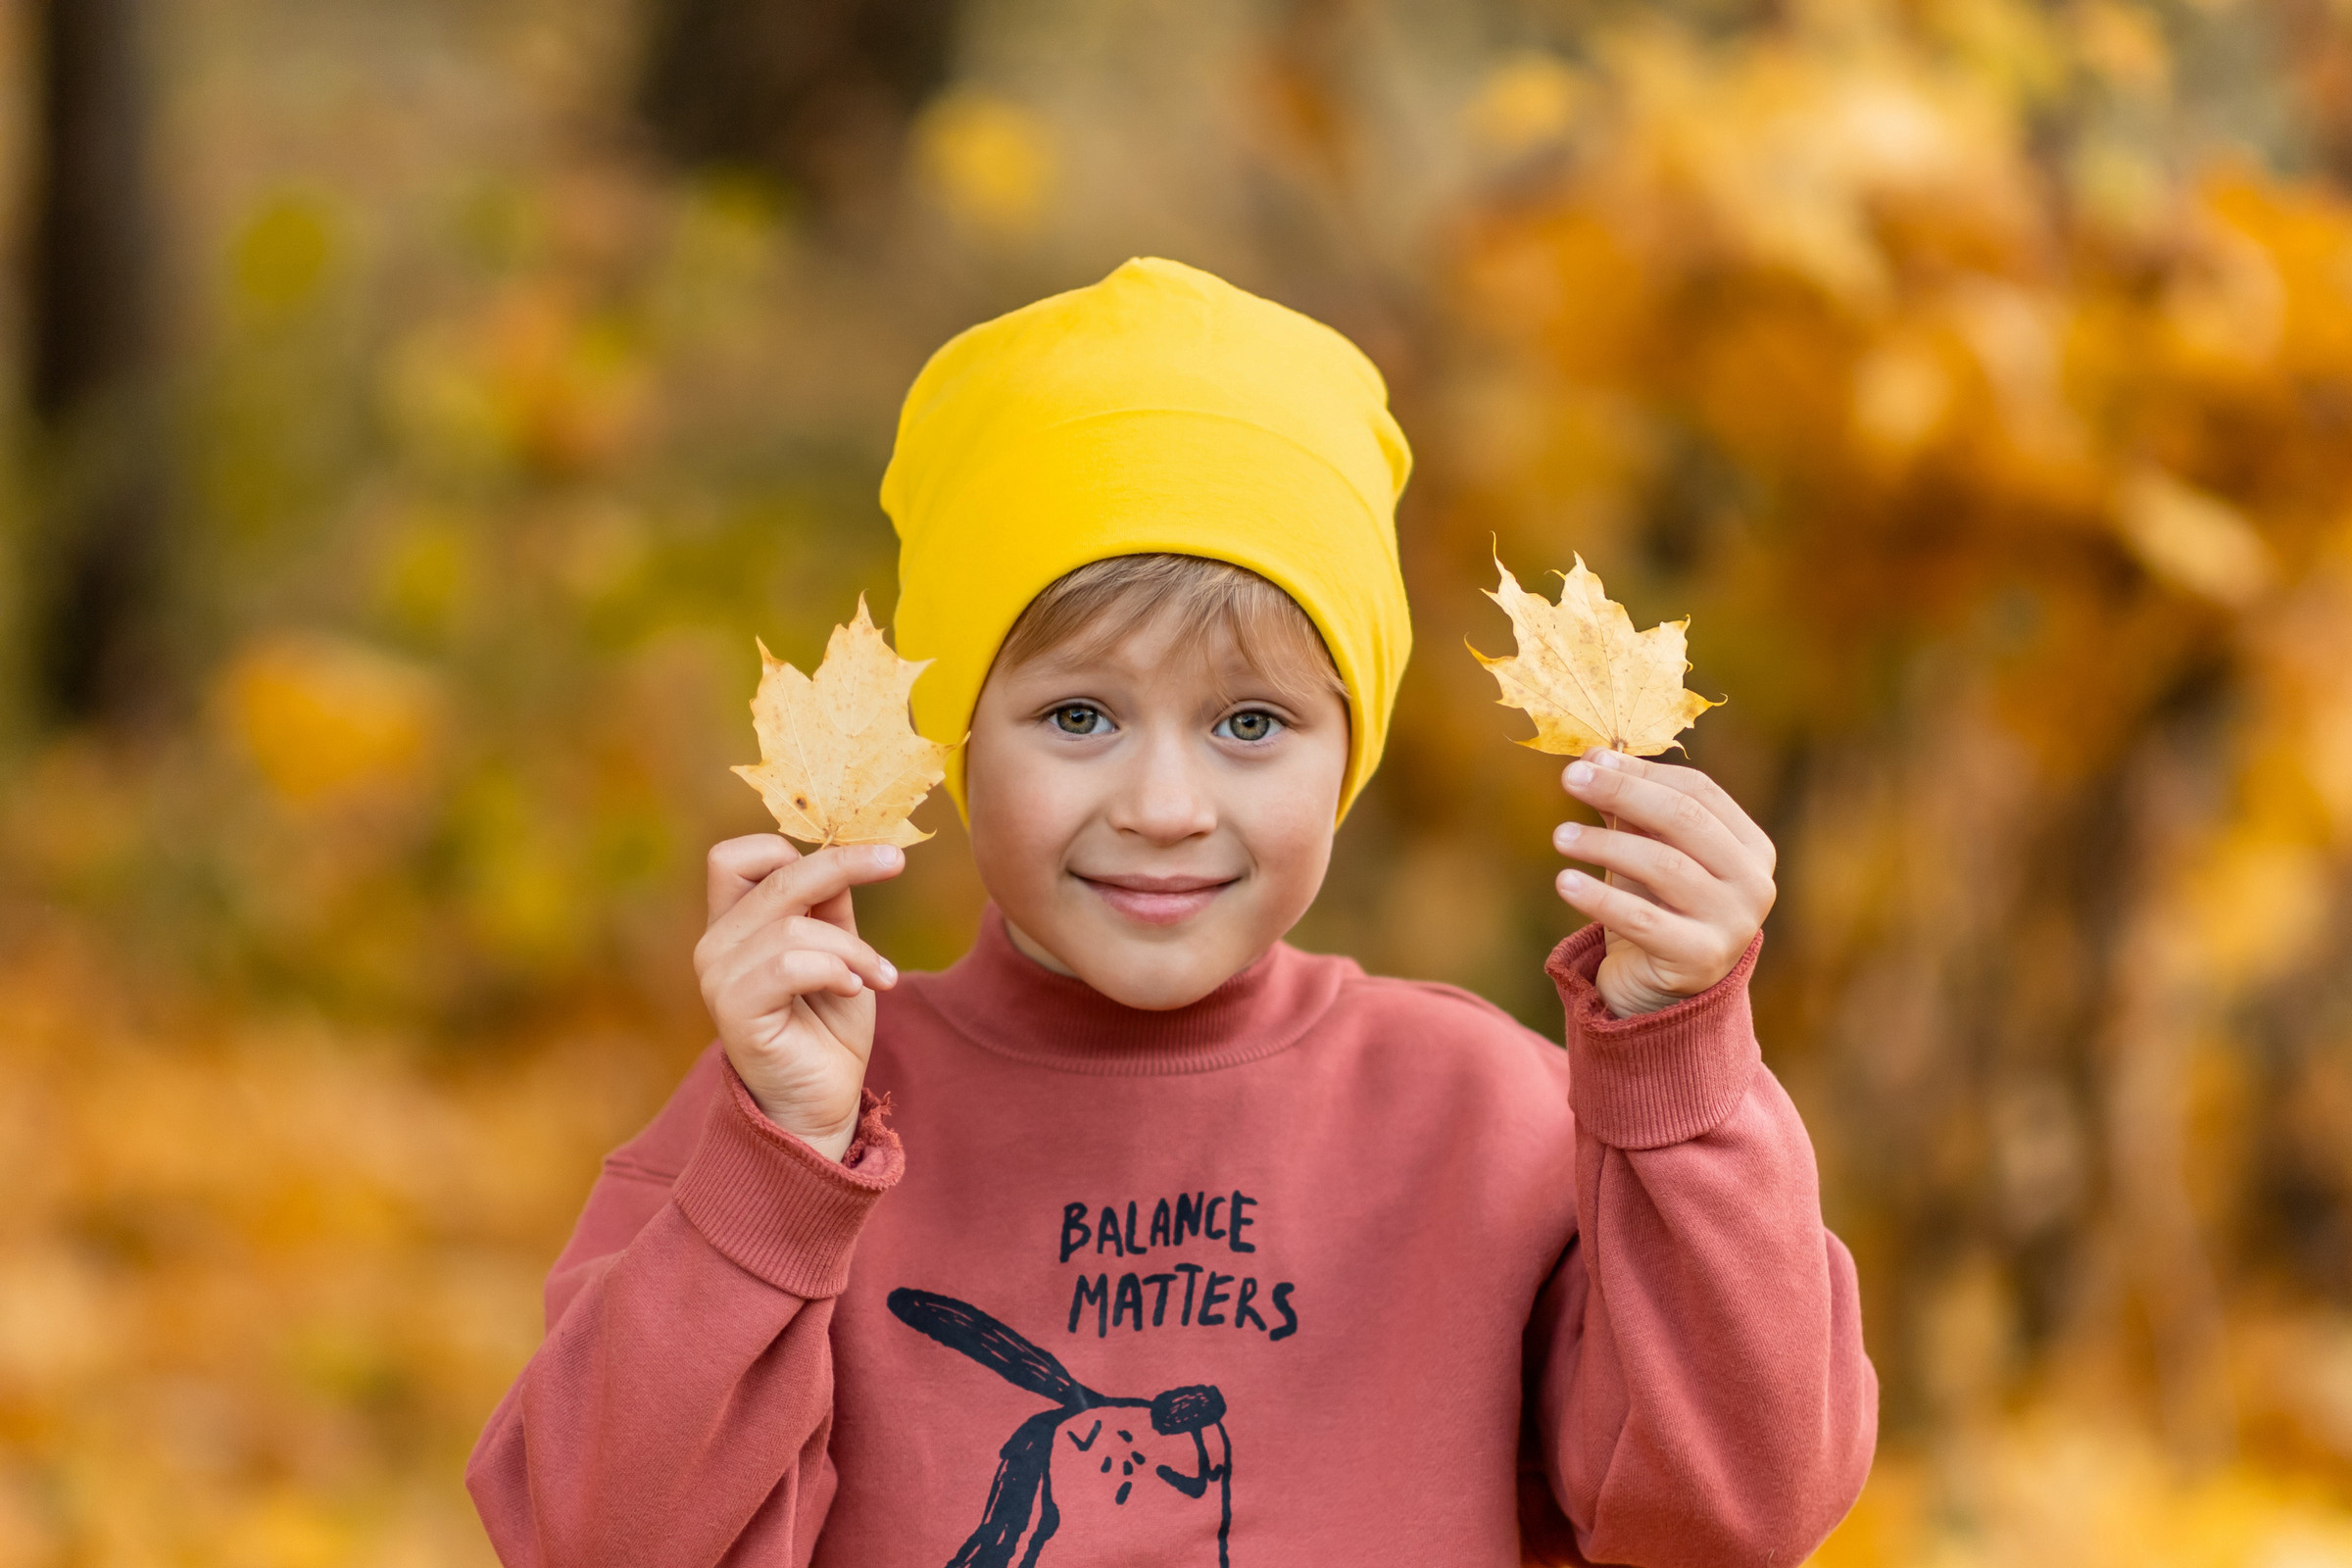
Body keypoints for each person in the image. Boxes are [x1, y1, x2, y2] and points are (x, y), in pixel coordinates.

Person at [465, 257, 1876, 1567]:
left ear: (1350, 755)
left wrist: (1680, 1071)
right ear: (954, 739)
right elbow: (596, 1538)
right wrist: (774, 1171)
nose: (1162, 802)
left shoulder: (1482, 1121)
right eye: (1078, 714)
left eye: (1250, 723)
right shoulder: (798, 1131)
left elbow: (1737, 1511)